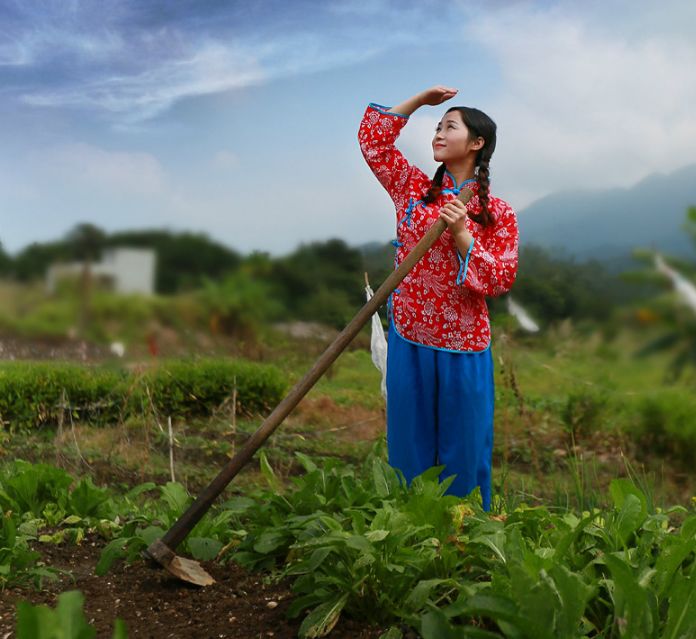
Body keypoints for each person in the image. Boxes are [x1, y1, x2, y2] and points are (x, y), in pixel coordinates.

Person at [358, 85, 519, 511]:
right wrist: (419, 101)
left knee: (463, 452)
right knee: (409, 447)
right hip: (409, 339)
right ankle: (408, 534)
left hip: (463, 346)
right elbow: (373, 142)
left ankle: (463, 539)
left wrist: (464, 236)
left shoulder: (496, 213)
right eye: (437, 126)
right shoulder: (412, 190)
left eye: (449, 126)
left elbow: (502, 276)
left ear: (477, 143)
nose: (437, 133)